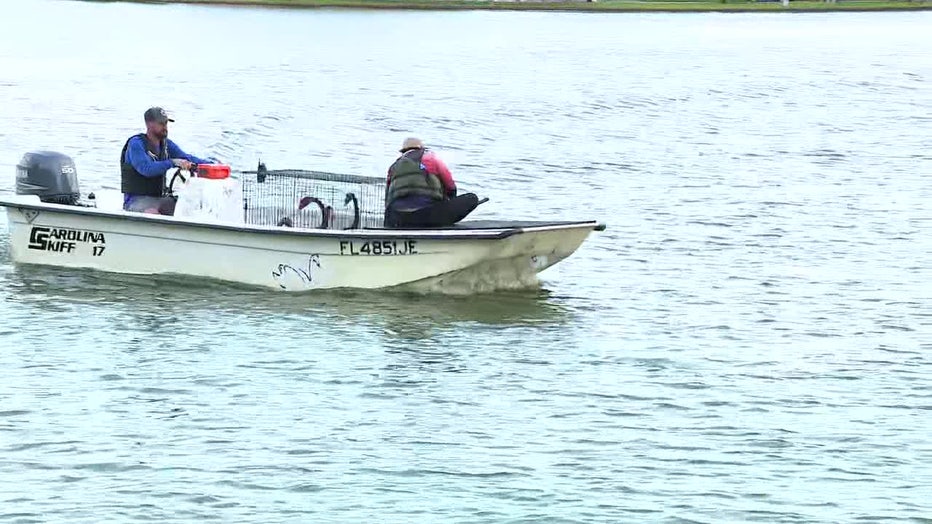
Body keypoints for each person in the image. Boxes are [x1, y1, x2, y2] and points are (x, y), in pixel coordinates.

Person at [120, 106, 212, 215]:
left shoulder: (166, 144)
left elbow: (186, 158)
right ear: (149, 124)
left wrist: (211, 165)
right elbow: (146, 169)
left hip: (158, 199)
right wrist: (173, 163)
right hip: (135, 201)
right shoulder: (136, 144)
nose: (165, 127)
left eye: (166, 123)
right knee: (152, 213)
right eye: (161, 124)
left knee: (189, 206)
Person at [383, 137, 479, 228]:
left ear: (403, 152)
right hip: (426, 217)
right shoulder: (431, 159)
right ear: (421, 148)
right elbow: (450, 186)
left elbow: (388, 199)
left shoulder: (393, 167)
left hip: (397, 219)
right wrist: (449, 202)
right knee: (471, 198)